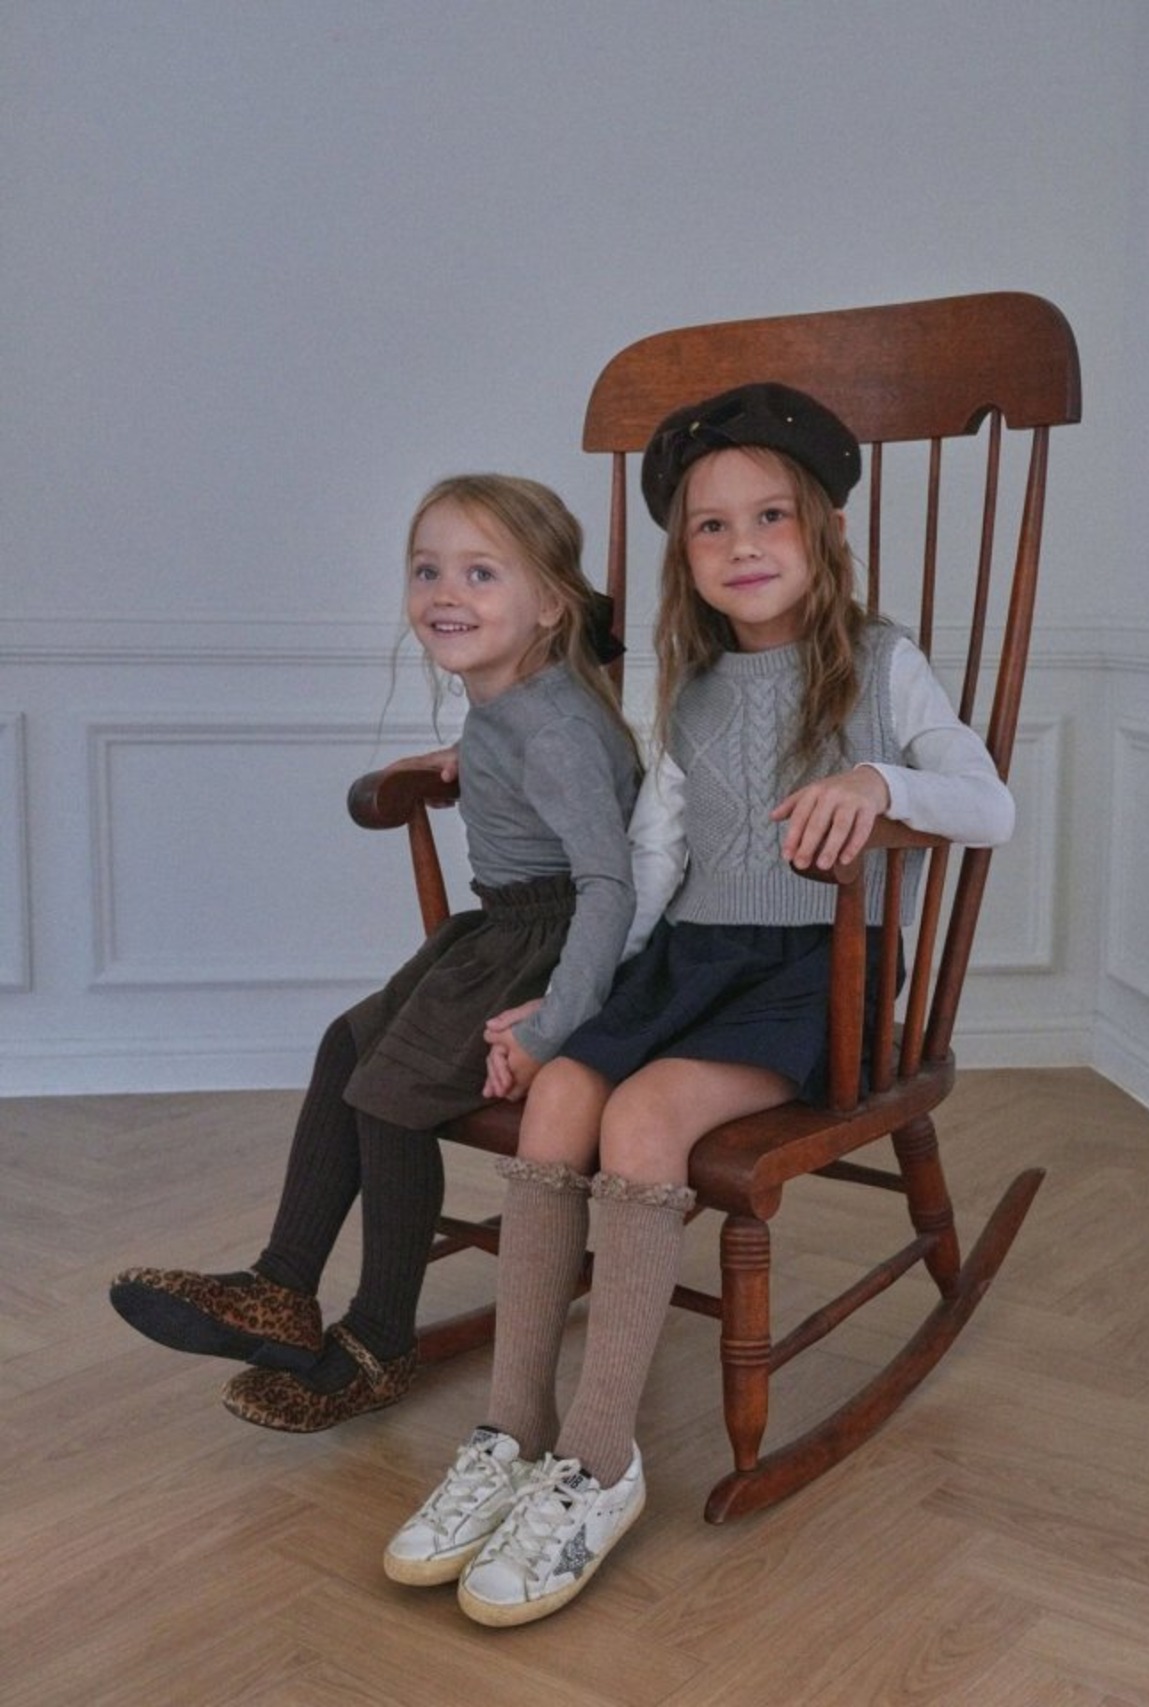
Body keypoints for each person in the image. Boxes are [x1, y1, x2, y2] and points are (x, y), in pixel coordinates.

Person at [380, 383, 1016, 1627]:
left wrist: (880, 785)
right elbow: (651, 861)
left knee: (643, 1119)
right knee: (562, 1096)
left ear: (825, 529)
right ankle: (509, 1431)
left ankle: (598, 1459)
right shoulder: (694, 683)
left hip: (811, 972)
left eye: (769, 515)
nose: (741, 544)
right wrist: (566, 1010)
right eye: (710, 526)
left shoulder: (880, 662)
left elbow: (986, 805)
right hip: (688, 958)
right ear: (685, 555)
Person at [109, 473, 642, 1433]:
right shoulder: (515, 701)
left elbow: (609, 883)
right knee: (346, 1044)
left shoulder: (556, 728)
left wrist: (556, 1022)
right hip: (504, 927)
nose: (446, 593)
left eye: (481, 573)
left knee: (390, 1096)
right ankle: (281, 1286)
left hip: (550, 943)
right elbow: (527, 764)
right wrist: (463, 762)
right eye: (427, 570)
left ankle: (377, 1340)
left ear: (551, 604)